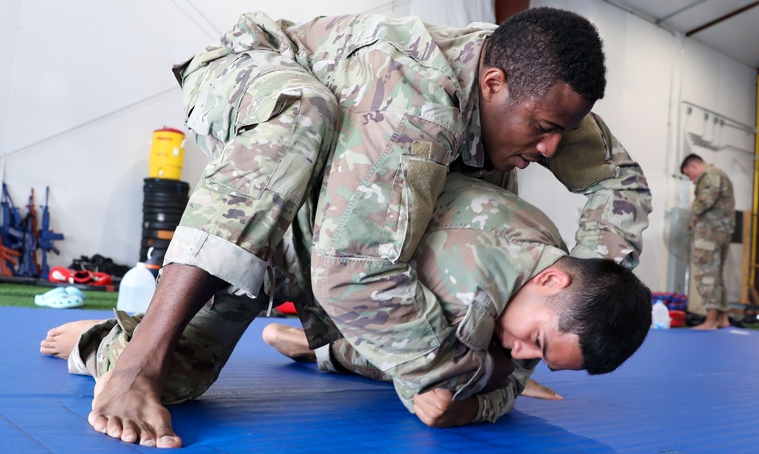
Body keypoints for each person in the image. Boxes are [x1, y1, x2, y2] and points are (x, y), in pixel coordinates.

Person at [82, 7, 652, 447]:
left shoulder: (537, 92)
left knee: (186, 382)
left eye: (562, 131)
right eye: (544, 128)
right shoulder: (415, 104)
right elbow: (352, 275)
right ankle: (135, 359)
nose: (553, 148)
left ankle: (311, 346)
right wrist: (476, 374)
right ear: (494, 83)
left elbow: (619, 183)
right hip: (253, 79)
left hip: (344, 203)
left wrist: (578, 294)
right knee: (304, 115)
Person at [42, 176, 653, 431]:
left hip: (356, 288)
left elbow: (506, 376)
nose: (524, 352)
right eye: (537, 343)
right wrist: (469, 400)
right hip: (283, 243)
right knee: (172, 382)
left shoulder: (542, 258)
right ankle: (95, 338)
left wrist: (501, 384)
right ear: (554, 284)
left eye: (544, 357)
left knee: (422, 355)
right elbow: (443, 392)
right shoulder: (478, 286)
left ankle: (315, 345)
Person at [680, 154, 735, 330]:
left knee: (707, 273)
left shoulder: (710, 175)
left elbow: (706, 200)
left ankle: (710, 321)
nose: (692, 181)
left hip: (710, 233)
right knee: (716, 274)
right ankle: (722, 318)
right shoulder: (719, 174)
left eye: (689, 175)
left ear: (692, 167)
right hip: (720, 231)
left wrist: (694, 206)